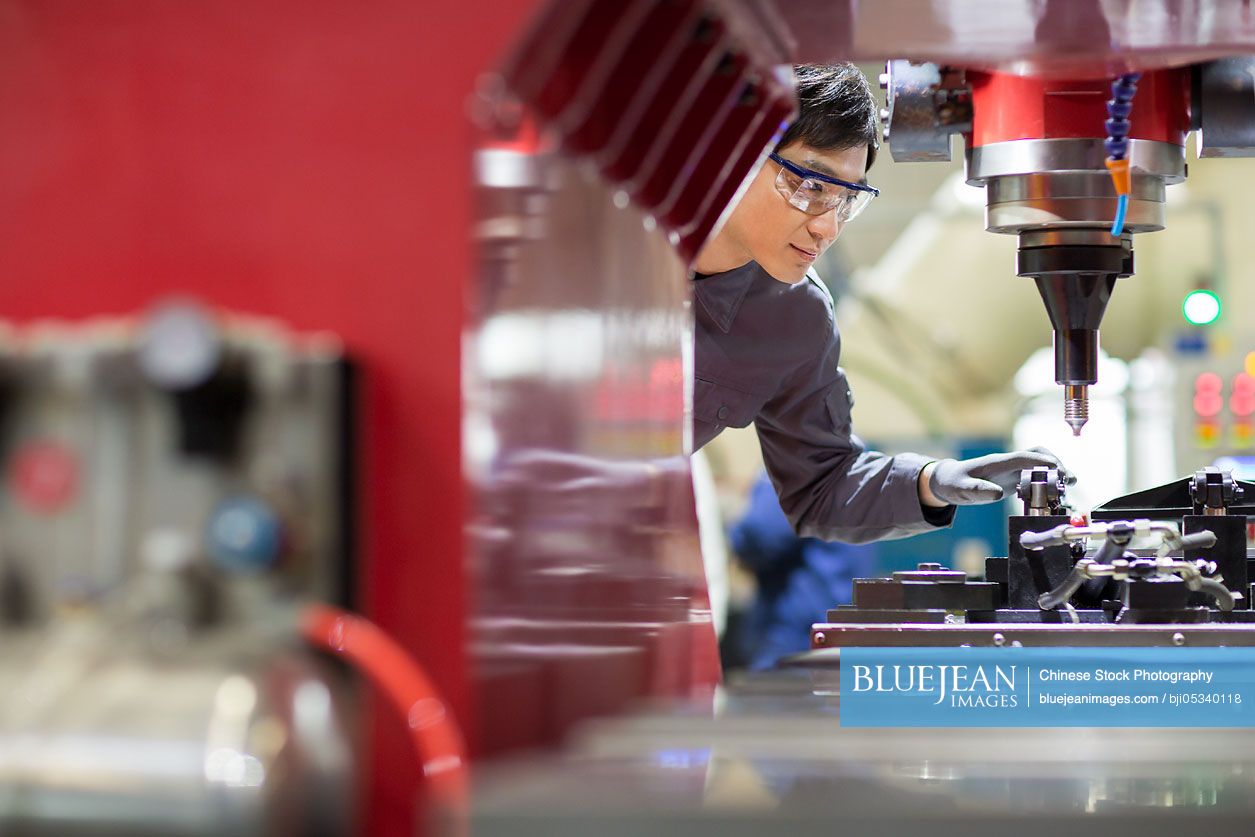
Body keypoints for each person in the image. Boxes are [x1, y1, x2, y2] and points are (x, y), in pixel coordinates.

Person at [691, 63, 1070, 544]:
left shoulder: (794, 316)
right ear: (736, 154)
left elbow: (822, 485)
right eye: (812, 187)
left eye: (847, 200)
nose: (827, 229)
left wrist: (932, 482)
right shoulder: (602, 245)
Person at [729, 471, 877, 670]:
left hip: (792, 633)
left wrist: (730, 540)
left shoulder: (797, 463)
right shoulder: (862, 464)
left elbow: (760, 534)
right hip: (841, 629)